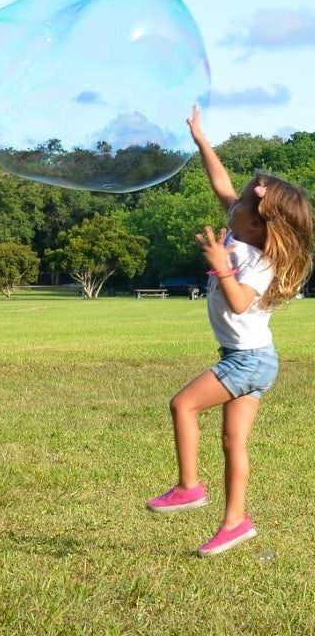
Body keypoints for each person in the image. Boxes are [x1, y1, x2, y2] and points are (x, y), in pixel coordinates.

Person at [147, 105, 313, 556]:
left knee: (182, 405)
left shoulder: (258, 260)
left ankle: (189, 488)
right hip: (246, 358)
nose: (231, 204)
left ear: (258, 224)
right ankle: (235, 522)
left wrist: (222, 268)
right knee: (232, 440)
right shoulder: (243, 231)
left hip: (250, 360)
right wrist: (201, 139)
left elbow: (241, 302)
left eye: (241, 203)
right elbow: (221, 182)